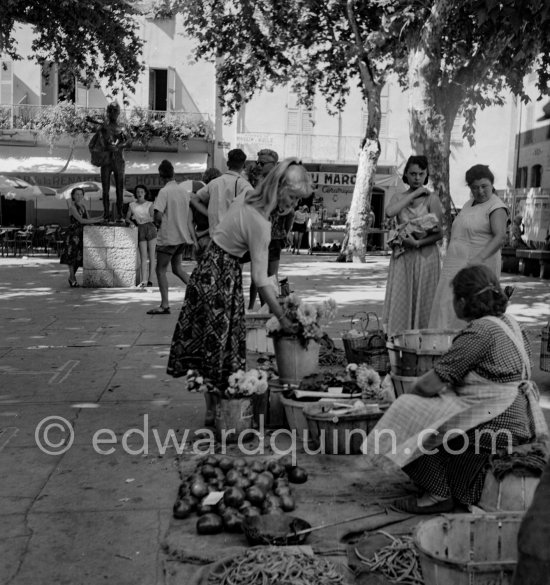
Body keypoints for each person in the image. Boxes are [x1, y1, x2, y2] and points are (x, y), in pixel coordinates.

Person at [363, 265, 548, 514]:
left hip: (499, 424)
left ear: (462, 301)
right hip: (520, 420)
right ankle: (446, 482)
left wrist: (400, 401)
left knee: (407, 411)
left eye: (454, 299)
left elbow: (429, 385)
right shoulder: (511, 324)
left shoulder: (479, 332)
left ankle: (436, 494)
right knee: (440, 408)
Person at [166, 158, 310, 423]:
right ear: (278, 187)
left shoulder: (247, 194)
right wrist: (282, 317)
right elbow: (262, 279)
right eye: (292, 197)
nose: (293, 205)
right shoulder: (261, 224)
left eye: (298, 200)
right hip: (221, 275)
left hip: (209, 267)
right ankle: (217, 412)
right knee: (218, 345)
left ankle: (213, 411)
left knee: (208, 342)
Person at [429, 164, 509, 330]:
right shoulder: (469, 203)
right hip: (454, 265)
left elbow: (500, 236)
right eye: (474, 187)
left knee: (467, 307)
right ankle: (442, 348)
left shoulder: (496, 206)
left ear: (492, 184)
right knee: (446, 305)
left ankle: (462, 348)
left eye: (484, 186)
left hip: (477, 266)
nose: (480, 191)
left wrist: (477, 259)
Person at [382, 155, 443, 336]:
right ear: (406, 175)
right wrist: (415, 194)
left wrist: (417, 243)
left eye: (421, 174)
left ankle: (422, 342)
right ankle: (400, 340)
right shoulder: (399, 197)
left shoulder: (432, 199)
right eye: (413, 174)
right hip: (403, 257)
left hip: (426, 256)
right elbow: (389, 212)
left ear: (426, 175)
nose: (417, 178)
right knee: (402, 300)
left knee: (424, 300)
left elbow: (439, 233)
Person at [146, 160, 196, 315]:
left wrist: (156, 224)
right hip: (182, 236)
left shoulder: (164, 192)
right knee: (177, 268)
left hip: (168, 237)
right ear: (173, 173)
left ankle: (165, 304)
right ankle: (198, 292)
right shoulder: (182, 192)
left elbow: (158, 214)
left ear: (160, 176)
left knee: (160, 270)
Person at [190, 149, 252, 245]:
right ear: (244, 165)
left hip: (214, 238)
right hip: (233, 240)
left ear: (227, 163)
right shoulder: (245, 185)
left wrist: (208, 213)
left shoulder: (214, 183)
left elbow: (194, 199)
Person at [60, 187, 103, 287]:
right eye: (77, 194)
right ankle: (72, 277)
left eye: (81, 194)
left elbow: (88, 219)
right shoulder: (72, 207)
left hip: (82, 234)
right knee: (71, 256)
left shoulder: (83, 206)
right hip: (73, 234)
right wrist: (97, 220)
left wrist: (101, 218)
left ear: (83, 196)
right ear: (73, 196)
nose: (79, 196)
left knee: (78, 257)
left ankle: (71, 277)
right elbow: (81, 220)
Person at [96, 102, 129, 221]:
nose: (113, 113)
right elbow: (98, 142)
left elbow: (129, 143)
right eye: (111, 111)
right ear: (108, 112)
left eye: (116, 111)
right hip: (106, 161)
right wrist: (106, 145)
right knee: (105, 190)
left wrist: (118, 146)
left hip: (119, 161)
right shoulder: (103, 127)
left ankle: (120, 215)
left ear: (119, 113)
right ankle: (106, 214)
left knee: (120, 189)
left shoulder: (122, 127)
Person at [125, 184, 157, 288]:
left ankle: (151, 280)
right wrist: (132, 223)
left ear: (145, 193)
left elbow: (153, 218)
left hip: (150, 228)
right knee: (143, 256)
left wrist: (144, 220)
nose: (139, 194)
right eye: (138, 192)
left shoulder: (150, 204)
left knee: (152, 256)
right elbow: (127, 218)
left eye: (141, 192)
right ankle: (144, 280)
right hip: (140, 229)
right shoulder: (132, 205)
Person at [191, 167, 222, 262]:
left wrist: (195, 239)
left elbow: (190, 222)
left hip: (198, 240)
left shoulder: (196, 197)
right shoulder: (217, 199)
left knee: (201, 271)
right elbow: (218, 222)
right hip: (212, 239)